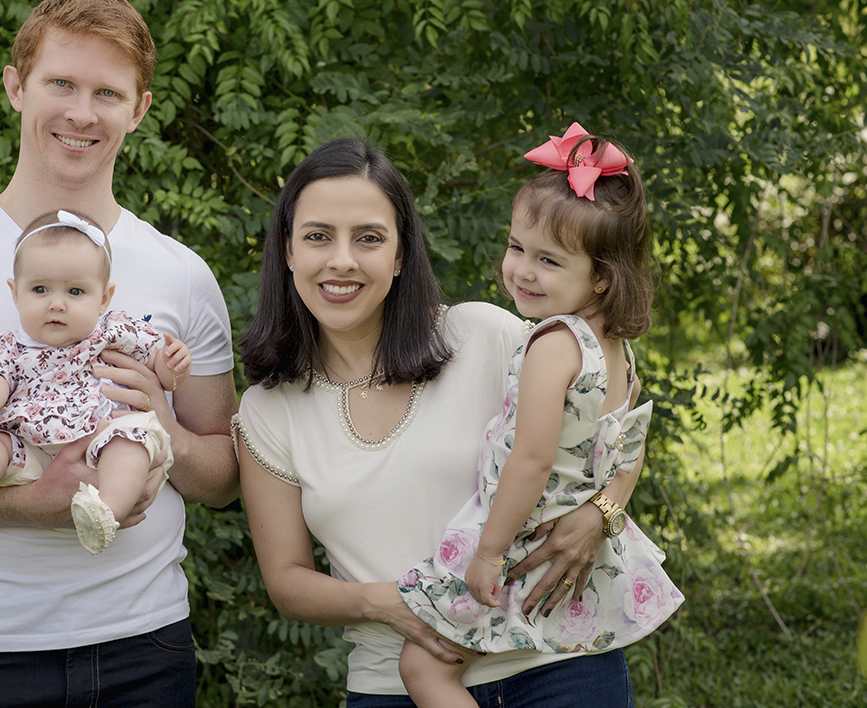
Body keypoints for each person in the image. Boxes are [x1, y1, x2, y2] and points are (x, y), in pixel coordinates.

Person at [0, 0, 238, 707]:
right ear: (16, 87)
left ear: (140, 109)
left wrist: (167, 432)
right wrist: (30, 503)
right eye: (60, 83)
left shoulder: (182, 274)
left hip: (145, 648)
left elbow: (222, 477)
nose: (81, 113)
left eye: (107, 93)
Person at [234, 136, 651, 708]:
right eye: (317, 236)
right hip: (396, 686)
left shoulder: (484, 334)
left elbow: (613, 422)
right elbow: (287, 583)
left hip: (557, 663)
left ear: (401, 253)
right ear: (287, 250)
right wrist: (398, 603)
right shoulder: (267, 410)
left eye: (369, 238)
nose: (342, 260)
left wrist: (602, 511)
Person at [396, 124, 684, 707]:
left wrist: (488, 552)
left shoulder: (553, 343)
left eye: (548, 260)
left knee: (421, 665)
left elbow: (529, 459)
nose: (523, 271)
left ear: (601, 276)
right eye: (516, 248)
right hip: (571, 530)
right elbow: (629, 448)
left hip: (523, 532)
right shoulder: (618, 350)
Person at [0, 209, 193, 555]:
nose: (57, 304)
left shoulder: (114, 330)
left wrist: (173, 364)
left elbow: (162, 373)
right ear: (15, 293)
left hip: (103, 432)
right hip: (30, 441)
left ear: (104, 298)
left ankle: (105, 509)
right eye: (40, 289)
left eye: (75, 291)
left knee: (131, 441)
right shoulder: (10, 347)